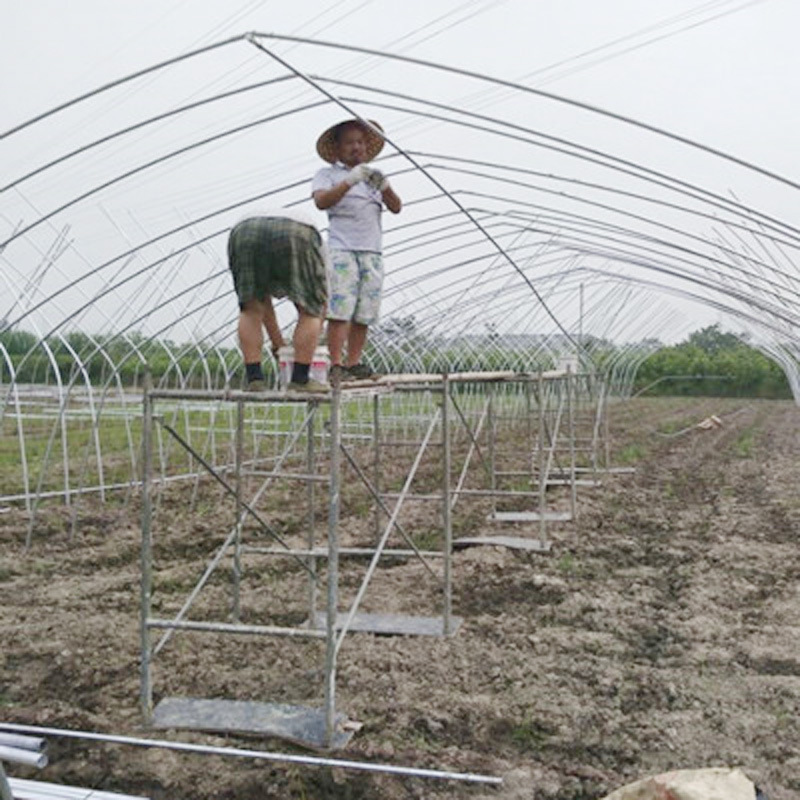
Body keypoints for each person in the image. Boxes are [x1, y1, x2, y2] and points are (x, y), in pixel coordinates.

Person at [311, 118, 402, 381]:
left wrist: (384, 187)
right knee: (340, 309)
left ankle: (354, 362)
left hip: (371, 252)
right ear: (338, 148)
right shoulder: (327, 175)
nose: (356, 147)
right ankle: (336, 363)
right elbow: (321, 201)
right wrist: (349, 181)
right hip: (343, 249)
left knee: (365, 311)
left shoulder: (373, 178)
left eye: (360, 142)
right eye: (350, 143)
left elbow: (396, 207)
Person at [227, 209, 329, 393]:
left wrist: (279, 344)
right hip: (296, 232)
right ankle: (300, 379)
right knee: (310, 310)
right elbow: (319, 307)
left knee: (250, 308)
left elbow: (263, 302)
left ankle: (255, 380)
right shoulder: (325, 259)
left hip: (245, 230)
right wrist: (307, 350)